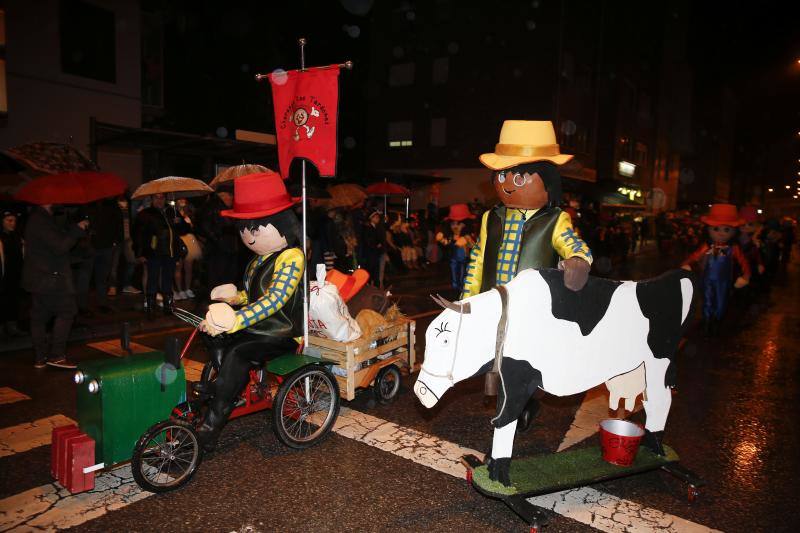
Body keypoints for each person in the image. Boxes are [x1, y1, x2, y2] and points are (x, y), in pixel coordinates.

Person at [462, 120, 593, 436]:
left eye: (519, 176)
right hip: (494, 303)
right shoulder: (490, 218)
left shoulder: (555, 219)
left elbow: (573, 244)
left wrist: (578, 260)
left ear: (546, 181)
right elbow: (478, 258)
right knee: (498, 356)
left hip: (532, 307)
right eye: (502, 175)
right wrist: (467, 297)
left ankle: (526, 401)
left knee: (526, 359)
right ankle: (510, 404)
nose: (507, 183)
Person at [196, 172, 305, 452]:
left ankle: (211, 425)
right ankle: (228, 384)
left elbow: (275, 299)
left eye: (256, 229)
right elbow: (253, 296)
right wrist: (235, 298)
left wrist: (236, 320)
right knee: (210, 331)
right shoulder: (259, 260)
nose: (248, 236)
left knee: (237, 351)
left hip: (282, 333)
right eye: (244, 229)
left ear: (282, 225)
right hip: (258, 329)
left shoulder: (292, 257)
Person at [22, 204, 88, 369]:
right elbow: (60, 246)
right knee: (66, 311)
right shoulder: (41, 221)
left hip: (39, 278)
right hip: (51, 278)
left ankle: (40, 357)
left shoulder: (37, 219)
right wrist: (77, 230)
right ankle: (57, 355)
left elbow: (53, 242)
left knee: (39, 317)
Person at [682, 204, 750, 335]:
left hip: (724, 282)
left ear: (733, 231)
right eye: (716, 229)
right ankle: (707, 322)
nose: (721, 233)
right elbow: (695, 256)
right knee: (707, 300)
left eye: (726, 230)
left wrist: (746, 275)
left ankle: (716, 321)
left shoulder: (733, 248)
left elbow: (743, 262)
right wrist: (686, 264)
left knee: (721, 301)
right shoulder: (707, 246)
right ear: (709, 229)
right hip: (706, 279)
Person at [134, 193, 185, 316]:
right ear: (151, 199)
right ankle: (150, 306)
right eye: (156, 197)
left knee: (168, 279)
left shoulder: (172, 211)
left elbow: (185, 229)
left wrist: (180, 223)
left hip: (171, 251)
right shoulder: (145, 214)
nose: (159, 200)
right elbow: (138, 235)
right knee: (152, 279)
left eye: (162, 197)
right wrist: (139, 253)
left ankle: (168, 306)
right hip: (153, 252)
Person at [196, 185, 240, 296]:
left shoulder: (222, 207)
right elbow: (205, 227)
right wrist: (218, 239)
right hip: (219, 249)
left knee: (225, 276)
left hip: (226, 247)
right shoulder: (214, 207)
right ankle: (216, 302)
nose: (232, 197)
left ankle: (223, 299)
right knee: (218, 277)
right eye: (230, 195)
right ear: (222, 195)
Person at [87, 198, 123, 313]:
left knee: (102, 277)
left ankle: (102, 303)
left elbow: (118, 223)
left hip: (107, 245)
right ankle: (83, 306)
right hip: (91, 246)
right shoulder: (87, 206)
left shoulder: (111, 206)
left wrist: (115, 241)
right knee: (86, 277)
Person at [1, 210, 25, 337]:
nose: (12, 223)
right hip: (3, 276)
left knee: (13, 301)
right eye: (9, 220)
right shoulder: (2, 238)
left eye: (14, 220)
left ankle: (12, 326)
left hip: (15, 275)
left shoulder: (17, 237)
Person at [174, 198, 202, 300]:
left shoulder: (190, 213)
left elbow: (194, 228)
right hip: (178, 241)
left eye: (184, 201)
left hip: (190, 240)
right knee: (178, 267)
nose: (182, 203)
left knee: (189, 267)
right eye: (180, 201)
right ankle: (179, 290)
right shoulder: (173, 214)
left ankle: (187, 289)